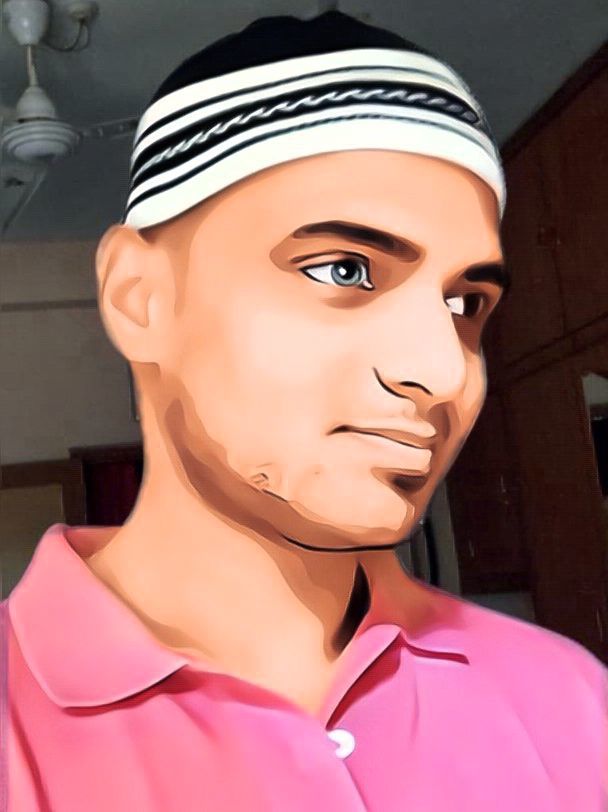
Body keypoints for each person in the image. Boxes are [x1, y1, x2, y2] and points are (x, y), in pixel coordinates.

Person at [2, 11, 606, 811]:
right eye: (344, 269)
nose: (440, 372)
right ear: (140, 298)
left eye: (465, 302)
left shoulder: (567, 696)